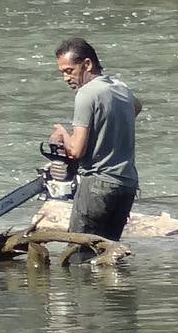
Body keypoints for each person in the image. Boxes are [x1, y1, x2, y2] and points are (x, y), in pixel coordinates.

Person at [49, 38, 141, 241]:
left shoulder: (86, 93)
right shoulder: (121, 87)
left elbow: (76, 151)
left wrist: (62, 133)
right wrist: (109, 128)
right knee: (107, 252)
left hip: (98, 185)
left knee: (78, 252)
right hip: (127, 185)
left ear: (87, 64)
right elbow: (137, 107)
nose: (65, 78)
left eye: (69, 70)